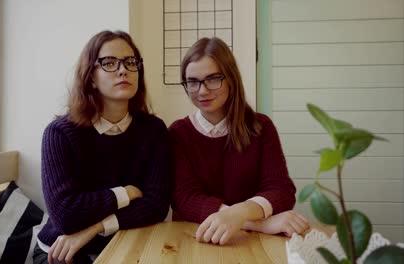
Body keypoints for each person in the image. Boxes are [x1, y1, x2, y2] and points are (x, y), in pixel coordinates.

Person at [34, 30, 170, 264]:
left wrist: (94, 228)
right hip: (63, 250)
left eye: (130, 62)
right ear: (91, 77)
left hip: (127, 242)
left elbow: (156, 204)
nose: (123, 69)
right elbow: (66, 214)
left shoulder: (154, 130)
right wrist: (126, 192)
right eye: (109, 63)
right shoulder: (59, 133)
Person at [169, 37, 309, 246]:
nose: (202, 90)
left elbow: (281, 190)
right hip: (195, 239)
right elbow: (186, 199)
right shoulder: (178, 133)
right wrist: (259, 223)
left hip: (254, 244)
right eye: (192, 82)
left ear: (231, 79)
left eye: (213, 78)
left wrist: (238, 214)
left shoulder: (261, 126)